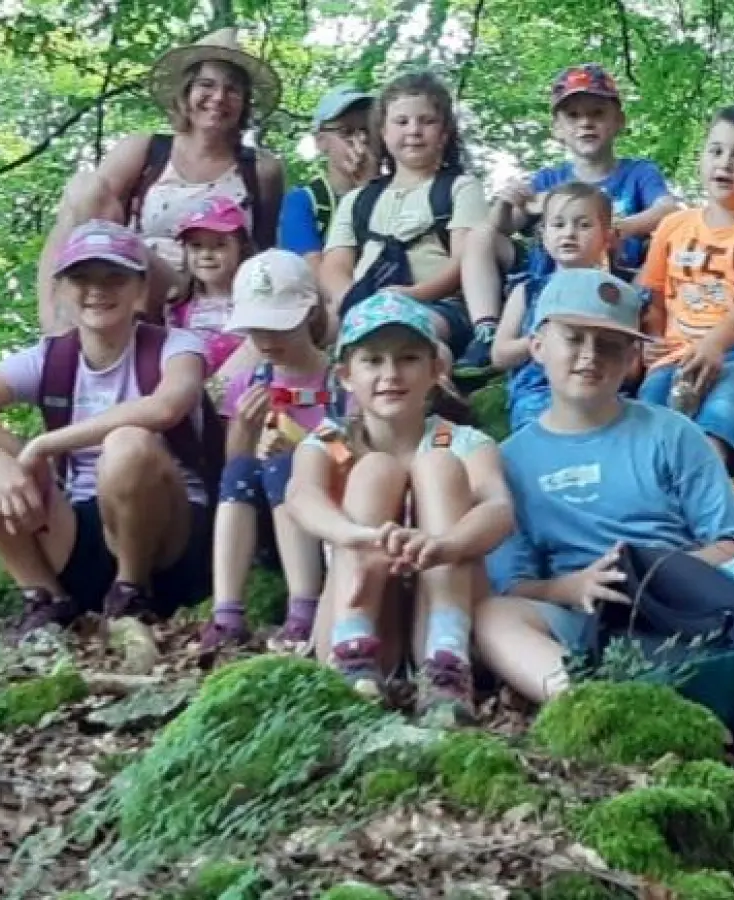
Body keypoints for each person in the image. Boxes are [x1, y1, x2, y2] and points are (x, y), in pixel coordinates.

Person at [472, 268, 734, 807]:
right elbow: (516, 584)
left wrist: (668, 572)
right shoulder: (509, 462)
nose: (589, 356)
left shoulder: (673, 432)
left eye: (610, 344)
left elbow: (732, 542)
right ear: (537, 345)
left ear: (631, 360)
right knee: (491, 616)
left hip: (695, 593)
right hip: (595, 613)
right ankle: (603, 712)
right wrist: (571, 588)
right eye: (574, 338)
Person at [0, 221, 213, 639]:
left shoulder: (177, 347)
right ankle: (44, 597)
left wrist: (46, 443)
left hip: (171, 539)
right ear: (62, 290)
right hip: (76, 531)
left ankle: (133, 593)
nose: (97, 290)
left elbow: (165, 407)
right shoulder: (47, 359)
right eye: (81, 278)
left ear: (140, 290)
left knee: (128, 442)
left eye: (114, 277)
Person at [286, 292, 512, 716]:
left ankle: (447, 661)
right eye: (372, 360)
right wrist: (362, 537)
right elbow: (301, 497)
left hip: (449, 609)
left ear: (436, 370)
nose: (390, 374)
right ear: (345, 375)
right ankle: (354, 658)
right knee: (375, 472)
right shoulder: (331, 442)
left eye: (407, 358)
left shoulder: (463, 442)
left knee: (439, 466)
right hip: (360, 609)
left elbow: (498, 509)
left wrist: (442, 545)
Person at [36, 28, 285, 335]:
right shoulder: (146, 150)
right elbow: (73, 216)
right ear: (186, 93)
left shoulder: (260, 170)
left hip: (209, 290)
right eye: (206, 85)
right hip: (136, 278)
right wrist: (48, 314)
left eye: (232, 89)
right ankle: (72, 321)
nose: (219, 98)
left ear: (245, 102)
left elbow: (265, 248)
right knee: (84, 188)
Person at [460, 63, 677, 371]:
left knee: (666, 247)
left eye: (597, 113)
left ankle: (642, 337)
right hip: (548, 275)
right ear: (557, 128)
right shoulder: (549, 179)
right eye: (573, 116)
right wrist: (506, 204)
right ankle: (486, 328)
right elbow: (505, 227)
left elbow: (668, 210)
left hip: (616, 275)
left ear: (619, 121)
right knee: (481, 234)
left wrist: (610, 229)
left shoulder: (638, 173)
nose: (585, 123)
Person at [195, 250, 336, 665]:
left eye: (279, 326)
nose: (268, 340)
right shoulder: (250, 382)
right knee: (245, 471)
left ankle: (304, 606)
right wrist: (244, 427)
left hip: (324, 516)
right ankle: (227, 613)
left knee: (283, 466)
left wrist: (308, 448)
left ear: (308, 315)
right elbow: (233, 465)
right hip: (264, 525)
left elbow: (355, 451)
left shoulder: (339, 377)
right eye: (257, 329)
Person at [637, 105, 734, 476]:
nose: (726, 163)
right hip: (675, 355)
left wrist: (715, 344)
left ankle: (704, 493)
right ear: (702, 157)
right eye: (717, 151)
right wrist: (651, 339)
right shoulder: (673, 227)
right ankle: (650, 510)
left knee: (725, 406)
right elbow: (653, 296)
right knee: (649, 415)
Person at [319, 72, 488, 362]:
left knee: (409, 336)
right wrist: (358, 302)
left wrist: (414, 295)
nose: (414, 130)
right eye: (401, 122)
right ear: (383, 133)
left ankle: (437, 395)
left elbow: (464, 260)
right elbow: (334, 265)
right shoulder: (359, 200)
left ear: (445, 133)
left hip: (439, 305)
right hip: (363, 302)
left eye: (427, 121)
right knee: (304, 330)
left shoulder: (460, 188)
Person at [493, 183, 647, 432]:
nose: (569, 233)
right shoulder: (528, 291)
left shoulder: (619, 294)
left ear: (608, 236)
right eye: (558, 224)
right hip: (539, 394)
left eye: (583, 225)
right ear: (543, 235)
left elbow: (631, 369)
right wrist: (550, 336)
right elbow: (500, 356)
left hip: (604, 390)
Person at [278, 86, 377, 276]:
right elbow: (315, 274)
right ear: (321, 142)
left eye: (367, 130)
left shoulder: (396, 192)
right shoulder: (304, 201)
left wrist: (371, 189)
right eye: (346, 131)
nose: (361, 140)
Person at [169, 195, 259, 387]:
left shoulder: (257, 303)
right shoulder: (177, 307)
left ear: (241, 248)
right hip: (190, 398)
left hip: (245, 395)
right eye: (196, 246)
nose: (206, 255)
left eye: (219, 245)